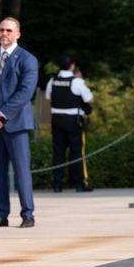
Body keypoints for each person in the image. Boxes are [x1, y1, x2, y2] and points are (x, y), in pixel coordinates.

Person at [0, 17, 38, 228]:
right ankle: (1, 214)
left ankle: (27, 214)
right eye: (2, 30)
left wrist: (0, 115)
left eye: (9, 30)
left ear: (17, 34)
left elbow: (25, 92)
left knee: (22, 172)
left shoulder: (27, 59)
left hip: (16, 124)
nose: (5, 34)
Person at [45, 54, 94, 192]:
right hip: (73, 121)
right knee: (77, 152)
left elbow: (49, 97)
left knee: (58, 152)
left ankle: (57, 184)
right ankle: (79, 183)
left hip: (56, 119)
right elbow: (89, 99)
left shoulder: (52, 80)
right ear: (72, 66)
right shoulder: (77, 82)